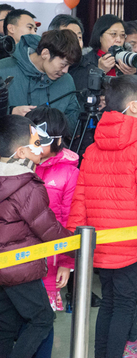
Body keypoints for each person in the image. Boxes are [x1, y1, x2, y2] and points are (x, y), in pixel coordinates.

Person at [67, 75, 137, 358]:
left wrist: (76, 236)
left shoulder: (93, 148)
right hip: (128, 244)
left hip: (97, 243)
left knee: (108, 302)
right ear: (133, 106)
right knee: (123, 305)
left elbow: (80, 196)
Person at [0, 114, 74, 357]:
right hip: (20, 267)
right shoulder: (26, 185)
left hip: (4, 267)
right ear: (21, 152)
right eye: (36, 142)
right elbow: (47, 228)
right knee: (42, 319)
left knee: (6, 324)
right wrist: (77, 248)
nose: (42, 147)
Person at [26, 107, 78, 313]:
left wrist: (66, 262)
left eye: (42, 139)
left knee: (42, 319)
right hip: (16, 257)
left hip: (50, 260)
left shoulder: (70, 173)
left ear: (58, 140)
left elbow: (70, 220)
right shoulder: (20, 166)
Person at [0, 30, 81, 131]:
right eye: (63, 64)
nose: (65, 71)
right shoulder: (3, 69)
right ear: (45, 53)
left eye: (70, 66)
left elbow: (73, 124)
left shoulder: (66, 81)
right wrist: (10, 111)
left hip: (52, 145)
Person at [81, 14, 137, 79]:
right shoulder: (85, 62)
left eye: (122, 35)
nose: (119, 40)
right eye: (113, 34)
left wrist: (134, 74)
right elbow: (81, 86)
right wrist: (99, 71)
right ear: (100, 37)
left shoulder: (129, 60)